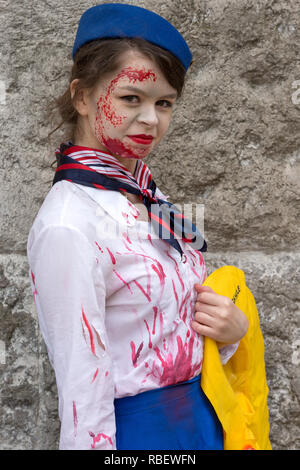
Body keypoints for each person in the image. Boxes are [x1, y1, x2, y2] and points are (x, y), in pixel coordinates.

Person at [27, 3, 248, 450]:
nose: (151, 119)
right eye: (132, 98)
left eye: (164, 103)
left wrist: (230, 333)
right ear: (83, 97)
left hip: (204, 421)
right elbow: (81, 398)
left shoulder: (148, 195)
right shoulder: (68, 225)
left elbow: (169, 324)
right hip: (138, 436)